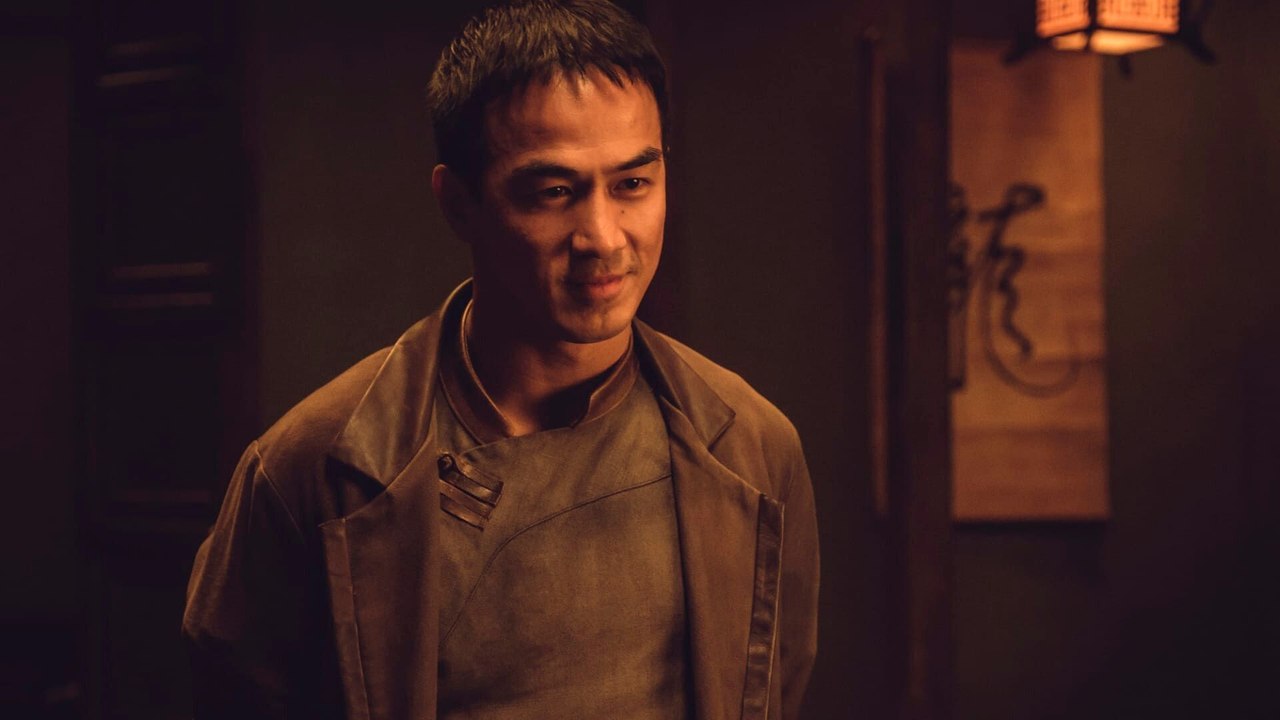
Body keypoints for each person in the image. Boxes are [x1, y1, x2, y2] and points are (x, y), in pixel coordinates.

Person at [181, 1, 819, 718]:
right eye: (554, 192)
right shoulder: (311, 469)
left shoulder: (751, 449)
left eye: (633, 184)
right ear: (459, 203)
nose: (604, 237)